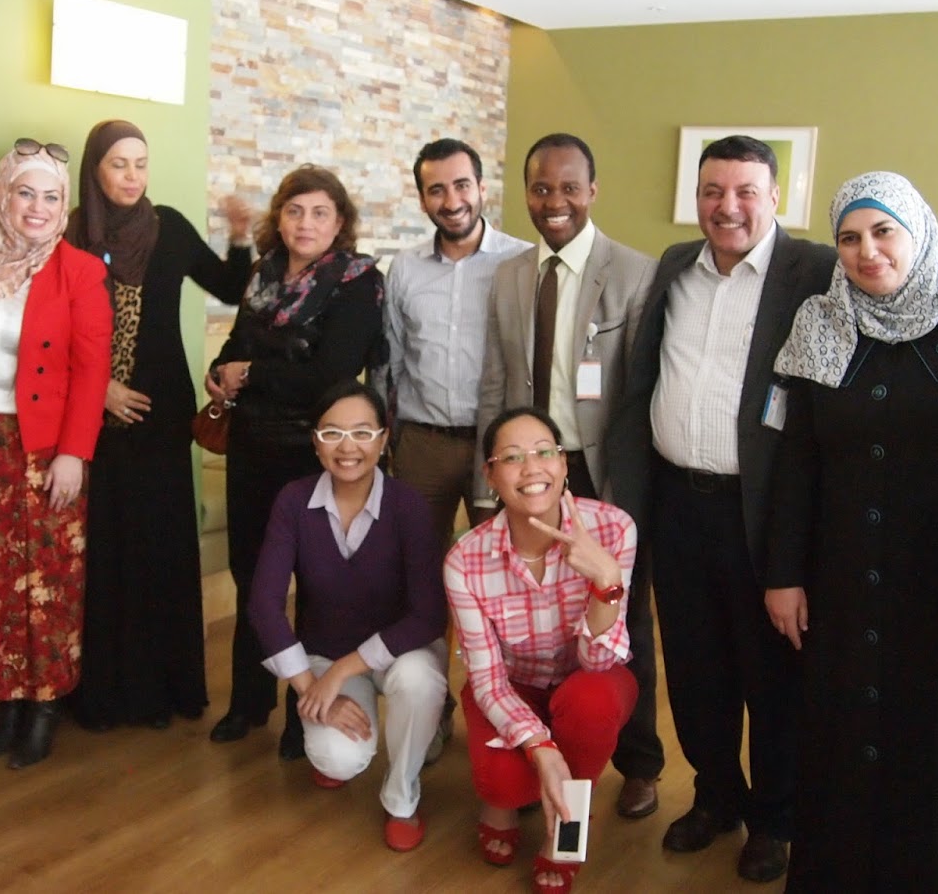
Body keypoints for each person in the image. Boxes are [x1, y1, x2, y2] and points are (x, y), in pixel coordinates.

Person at [764, 171, 938, 892]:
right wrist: (783, 573)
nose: (868, 251)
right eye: (849, 237)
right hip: (844, 578)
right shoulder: (820, 322)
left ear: (917, 231)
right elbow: (797, 460)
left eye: (884, 231)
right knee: (844, 742)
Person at [603, 135, 836, 882]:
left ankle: (774, 819)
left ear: (775, 198)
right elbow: (642, 385)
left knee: (771, 677)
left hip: (761, 512)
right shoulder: (677, 265)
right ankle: (715, 796)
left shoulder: (814, 272)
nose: (726, 206)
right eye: (712, 191)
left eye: (744, 192)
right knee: (695, 668)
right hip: (678, 503)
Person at [473, 132, 663, 820]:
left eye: (569, 187)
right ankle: (540, 753)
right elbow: (495, 384)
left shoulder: (635, 273)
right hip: (527, 470)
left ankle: (640, 764)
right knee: (531, 617)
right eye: (541, 188)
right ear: (526, 194)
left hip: (598, 470)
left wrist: (626, 496)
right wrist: (484, 485)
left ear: (593, 191)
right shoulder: (510, 275)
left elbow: (639, 396)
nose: (555, 201)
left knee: (620, 614)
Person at [63, 119, 253, 731]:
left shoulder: (166, 226)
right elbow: (49, 327)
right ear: (95, 169)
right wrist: (99, 389)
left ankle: (162, 690)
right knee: (104, 549)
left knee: (159, 546)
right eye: (119, 164)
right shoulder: (71, 233)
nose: (132, 176)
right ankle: (104, 693)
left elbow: (231, 286)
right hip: (92, 417)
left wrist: (241, 237)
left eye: (140, 164)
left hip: (162, 414)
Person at [206, 164, 386, 762]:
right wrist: (221, 373)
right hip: (251, 445)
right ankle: (248, 701)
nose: (305, 223)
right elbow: (236, 346)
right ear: (279, 219)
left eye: (319, 213)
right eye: (294, 211)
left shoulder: (357, 281)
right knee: (251, 576)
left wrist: (253, 373)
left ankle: (300, 712)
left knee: (313, 583)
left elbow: (330, 376)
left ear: (340, 223)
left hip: (314, 453)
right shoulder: (262, 274)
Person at [0, 138, 111, 769]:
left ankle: (43, 708)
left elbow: (91, 370)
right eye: (24, 193)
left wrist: (74, 452)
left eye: (51, 197)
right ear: (1, 195)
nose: (37, 208)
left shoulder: (79, 271)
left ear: (64, 206)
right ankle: (5, 701)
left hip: (43, 448)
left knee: (46, 581)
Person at [445, 406, 640, 894]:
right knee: (502, 784)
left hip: (587, 682)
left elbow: (600, 662)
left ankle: (568, 821)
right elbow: (487, 680)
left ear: (564, 462)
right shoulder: (465, 559)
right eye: (511, 458)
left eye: (543, 452)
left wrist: (605, 582)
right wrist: (542, 749)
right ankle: (511, 802)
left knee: (591, 699)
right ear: (490, 475)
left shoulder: (613, 528)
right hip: (513, 688)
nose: (531, 468)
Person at [247, 380, 448, 851]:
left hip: (402, 652)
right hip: (327, 648)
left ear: (383, 438)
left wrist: (342, 671)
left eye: (361, 432)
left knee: (420, 682)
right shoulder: (294, 501)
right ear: (315, 442)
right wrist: (310, 688)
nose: (347, 447)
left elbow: (428, 615)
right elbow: (264, 604)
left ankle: (401, 797)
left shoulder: (408, 505)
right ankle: (349, 745)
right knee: (337, 758)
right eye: (332, 433)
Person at [378, 137, 527, 763]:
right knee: (420, 585)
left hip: (498, 449)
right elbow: (389, 360)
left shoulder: (520, 262)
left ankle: (506, 720)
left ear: (482, 187)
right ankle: (431, 711)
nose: (451, 199)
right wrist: (384, 442)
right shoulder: (404, 269)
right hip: (423, 445)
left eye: (461, 185)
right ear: (422, 199)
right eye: (436, 189)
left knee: (503, 588)